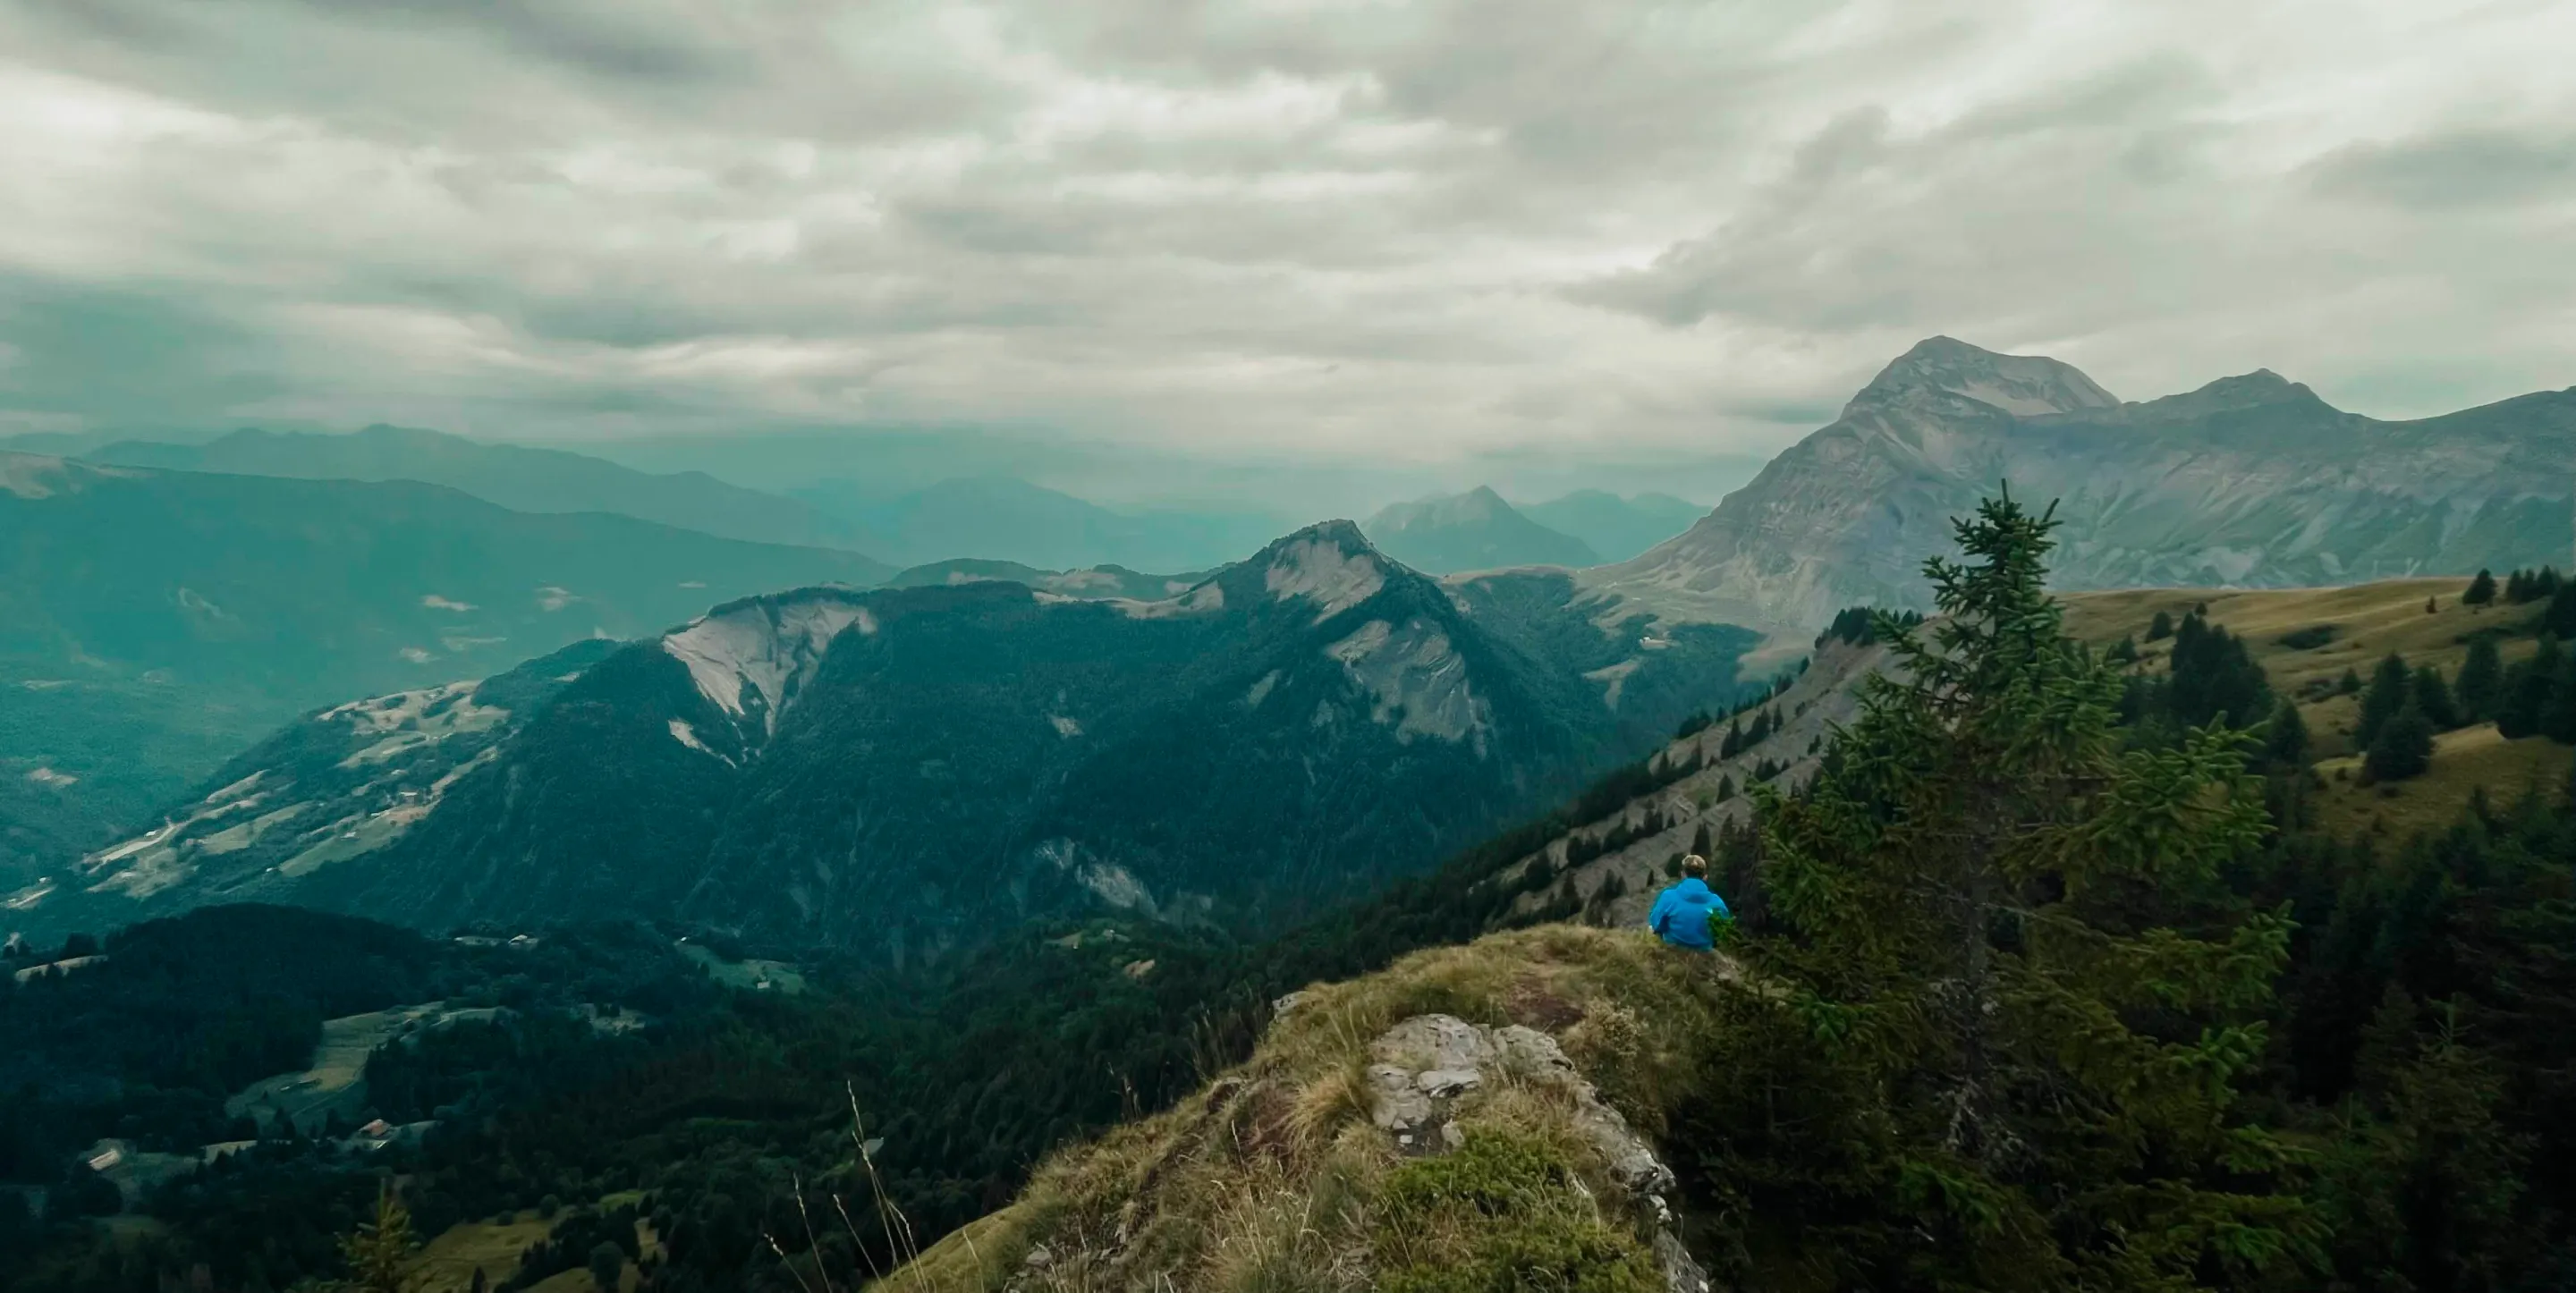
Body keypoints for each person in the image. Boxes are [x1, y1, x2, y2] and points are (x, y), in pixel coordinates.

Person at [1647, 855, 1730, 951]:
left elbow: (1656, 923)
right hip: (1705, 952)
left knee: (1650, 929)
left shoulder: (1668, 896)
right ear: (1705, 877)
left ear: (1683, 875)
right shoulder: (1717, 903)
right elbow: (1724, 932)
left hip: (1674, 950)